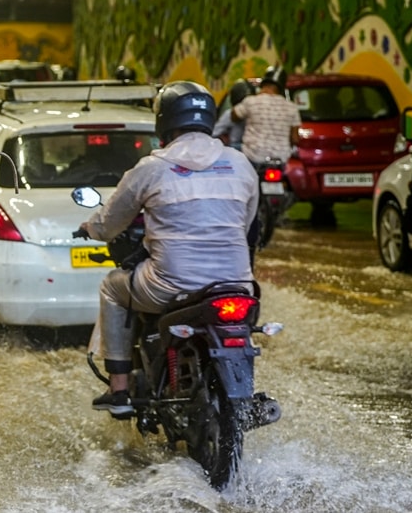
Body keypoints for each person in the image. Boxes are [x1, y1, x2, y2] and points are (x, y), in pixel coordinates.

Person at [78, 81, 258, 416]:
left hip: (171, 286)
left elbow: (108, 224)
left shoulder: (152, 167)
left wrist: (90, 227)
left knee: (111, 288)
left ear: (164, 121)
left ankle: (118, 391)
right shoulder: (240, 163)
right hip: (236, 285)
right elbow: (246, 224)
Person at [232, 66, 300, 164]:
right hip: (280, 158)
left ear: (263, 83)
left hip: (253, 156)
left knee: (230, 149)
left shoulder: (252, 101)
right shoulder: (292, 107)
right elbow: (295, 138)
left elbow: (234, 116)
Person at [213, 79, 253, 149]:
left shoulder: (229, 114)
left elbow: (214, 133)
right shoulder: (229, 114)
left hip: (241, 149)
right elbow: (215, 133)